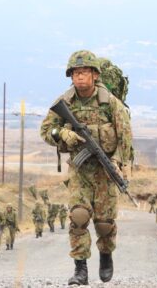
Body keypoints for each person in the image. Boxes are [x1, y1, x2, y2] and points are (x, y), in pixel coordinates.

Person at [40, 50, 132, 285]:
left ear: (94, 75)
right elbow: (46, 131)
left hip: (105, 168)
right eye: (76, 73)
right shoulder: (65, 102)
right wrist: (62, 133)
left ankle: (105, 255)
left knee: (104, 222)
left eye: (84, 73)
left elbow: (125, 137)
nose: (80, 78)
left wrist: (117, 162)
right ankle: (80, 269)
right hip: (80, 170)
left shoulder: (109, 102)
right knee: (79, 217)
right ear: (71, 76)